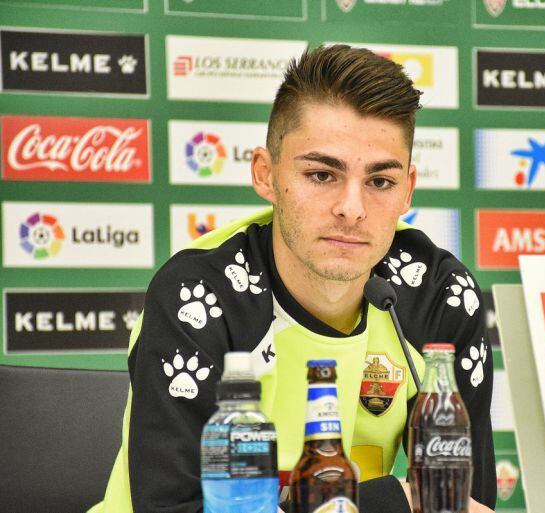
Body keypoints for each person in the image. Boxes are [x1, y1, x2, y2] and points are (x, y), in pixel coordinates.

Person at [90, 44, 496, 513]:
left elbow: (465, 504)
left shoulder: (440, 296)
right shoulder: (198, 295)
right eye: (322, 175)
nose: (352, 208)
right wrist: (391, 502)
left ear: (408, 189)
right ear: (266, 174)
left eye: (380, 182)